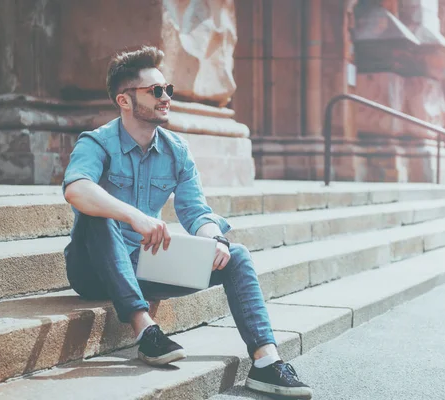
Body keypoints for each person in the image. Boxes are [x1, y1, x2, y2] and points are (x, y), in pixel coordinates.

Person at [62, 45, 312, 399]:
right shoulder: (97, 143)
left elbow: (196, 212)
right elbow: (76, 189)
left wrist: (214, 240)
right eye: (155, 91)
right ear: (125, 101)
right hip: (93, 270)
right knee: (97, 215)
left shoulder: (176, 149)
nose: (166, 98)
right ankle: (145, 331)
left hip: (145, 264)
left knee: (235, 253)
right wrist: (134, 216)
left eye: (168, 90)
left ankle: (266, 361)